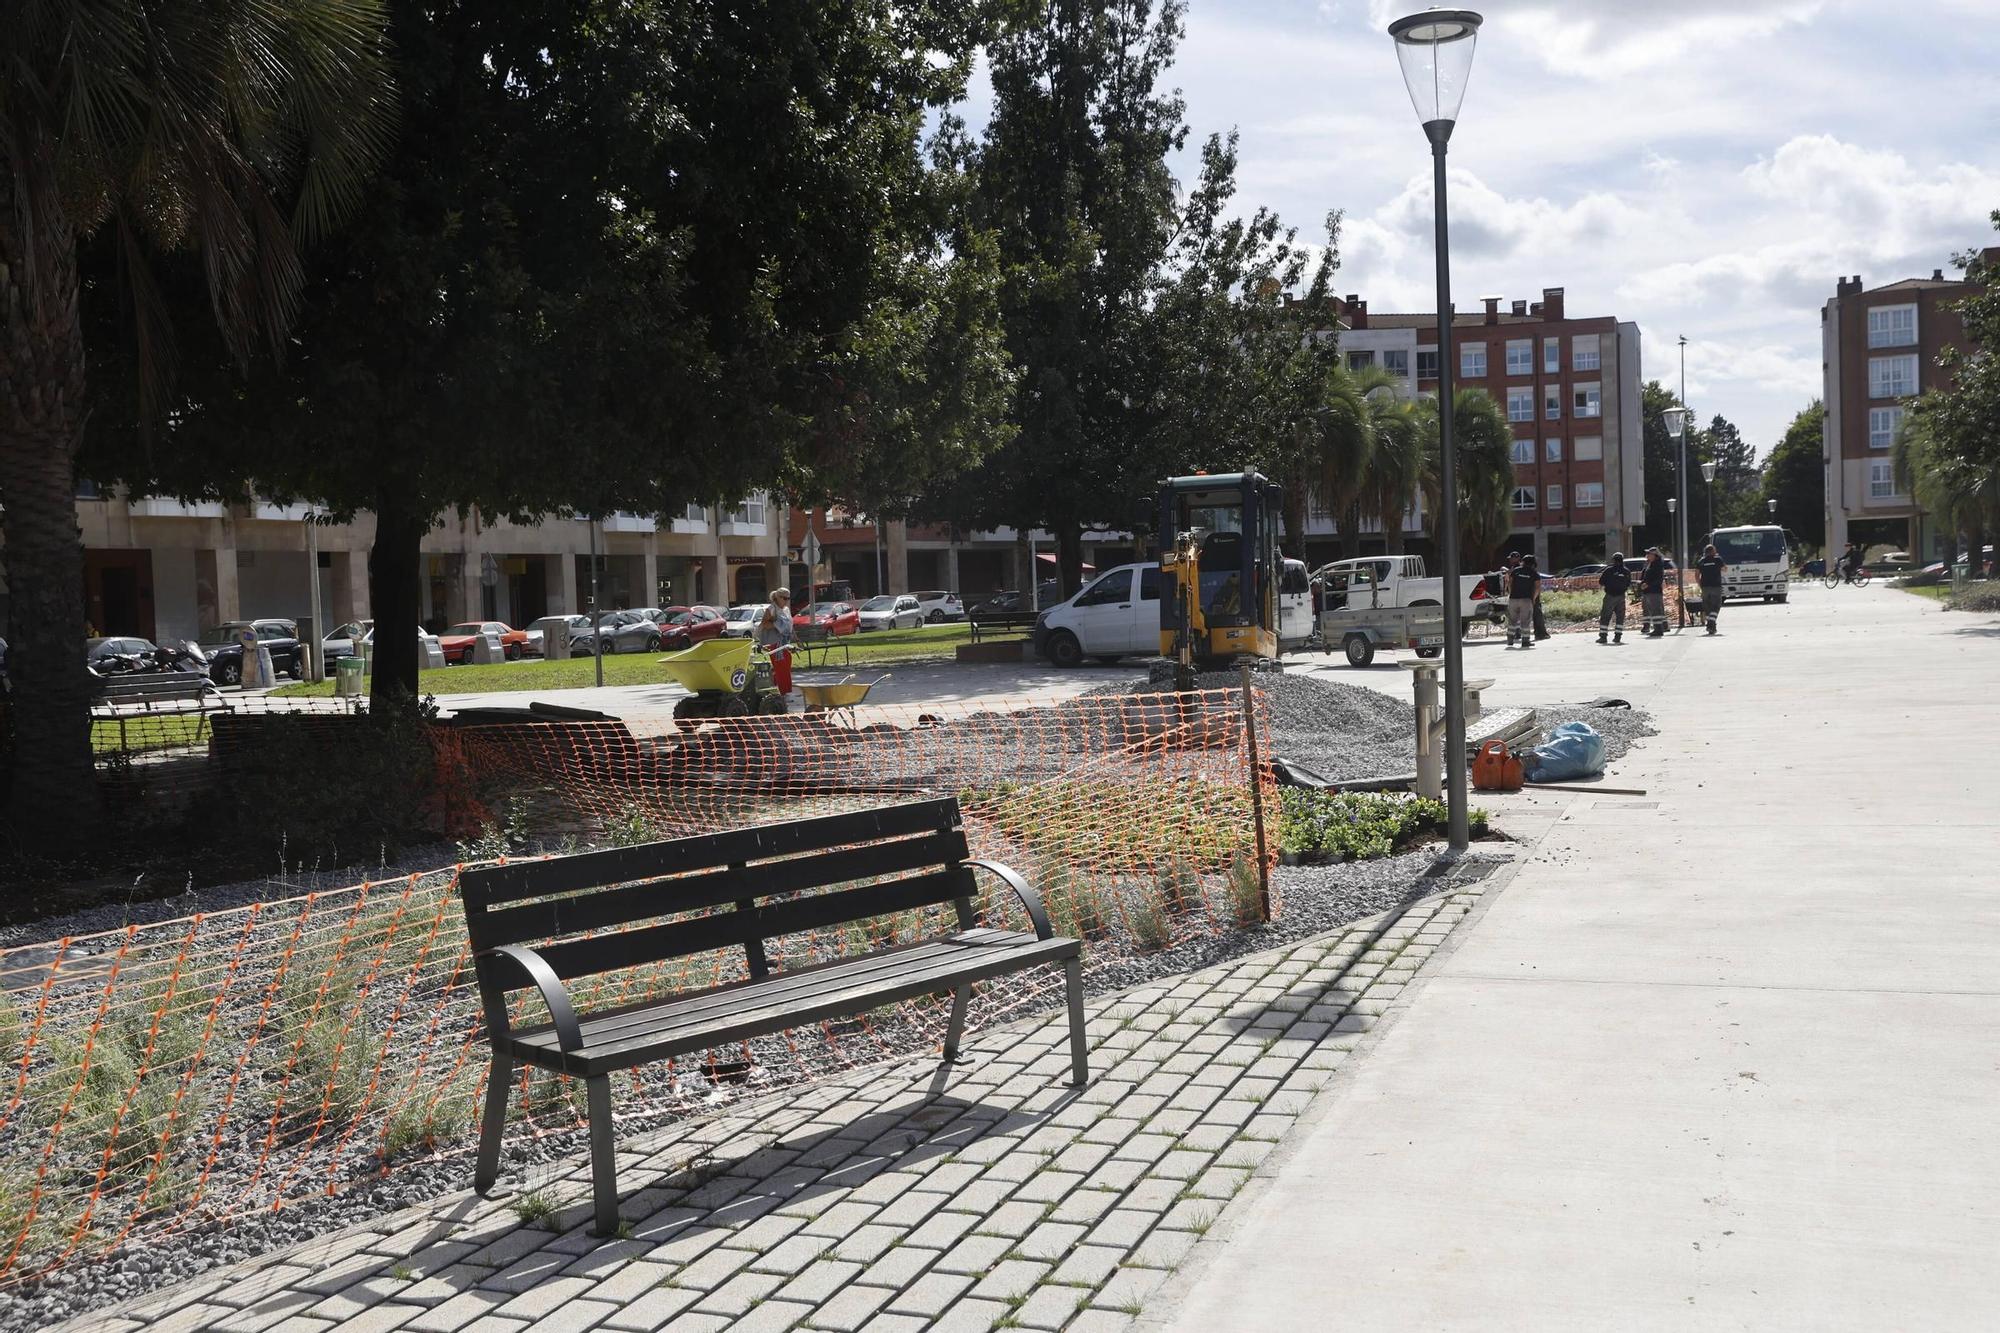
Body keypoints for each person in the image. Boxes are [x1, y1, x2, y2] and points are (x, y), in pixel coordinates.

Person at [757, 588, 796, 700]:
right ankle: (784, 692)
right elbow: (764, 624)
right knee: (780, 667)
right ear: (777, 597)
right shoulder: (771, 609)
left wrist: (795, 636)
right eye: (784, 598)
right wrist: (777, 625)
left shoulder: (786, 609)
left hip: (785, 642)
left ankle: (782, 690)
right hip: (774, 643)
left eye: (788, 598)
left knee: (786, 664)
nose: (786, 601)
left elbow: (789, 625)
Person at [1507, 554, 1541, 648]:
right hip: (1526, 600)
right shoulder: (1534, 573)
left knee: (1512, 620)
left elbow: (1509, 583)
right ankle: (1525, 641)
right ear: (1533, 563)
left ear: (1523, 562)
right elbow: (1537, 588)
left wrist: (1511, 594)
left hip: (1513, 599)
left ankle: (1510, 640)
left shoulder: (1515, 571)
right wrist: (1533, 599)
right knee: (1525, 622)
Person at [1597, 552, 1631, 644]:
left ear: (1613, 560)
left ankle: (1603, 637)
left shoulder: (1608, 570)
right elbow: (1628, 583)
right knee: (1620, 617)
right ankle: (1618, 637)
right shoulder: (1626, 571)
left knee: (1605, 616)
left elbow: (1601, 582)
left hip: (1610, 596)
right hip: (1621, 597)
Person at [1696, 543, 1727, 634]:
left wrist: (1700, 584)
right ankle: (1711, 623)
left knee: (1707, 606)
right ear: (1713, 551)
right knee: (1716, 606)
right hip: (1716, 586)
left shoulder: (1701, 561)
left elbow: (1697, 574)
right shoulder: (1718, 559)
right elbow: (1725, 569)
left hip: (1705, 587)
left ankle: (1711, 626)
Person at [1637, 548, 1668, 637]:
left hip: (1654, 591)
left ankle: (1658, 630)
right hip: (1649, 591)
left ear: (1655, 555)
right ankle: (1658, 628)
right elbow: (1646, 577)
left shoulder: (1657, 565)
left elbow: (1658, 579)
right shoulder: (1650, 564)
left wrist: (1648, 584)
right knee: (1653, 611)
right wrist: (1643, 583)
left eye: (1649, 553)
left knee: (1656, 611)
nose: (1647, 555)